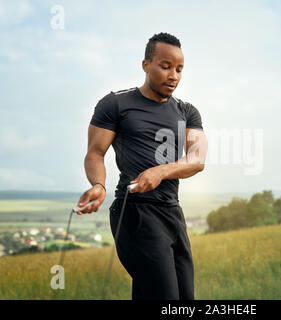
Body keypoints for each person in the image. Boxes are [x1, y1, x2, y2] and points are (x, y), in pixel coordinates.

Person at [76, 32, 208, 300]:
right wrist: (98, 185)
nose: (174, 75)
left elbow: (197, 159)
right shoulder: (116, 104)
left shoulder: (187, 112)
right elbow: (95, 153)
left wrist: (161, 171)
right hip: (134, 212)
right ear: (146, 65)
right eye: (166, 66)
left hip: (171, 212)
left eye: (179, 69)